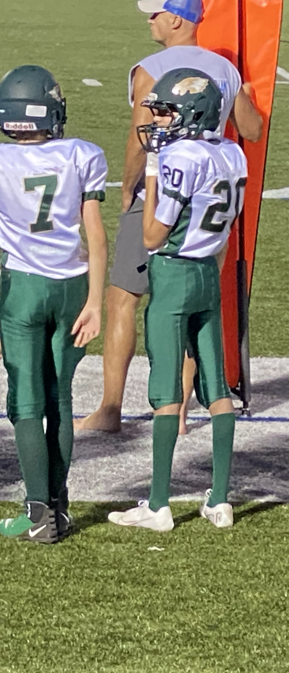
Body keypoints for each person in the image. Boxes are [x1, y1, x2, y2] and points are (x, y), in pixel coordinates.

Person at [76, 0, 263, 435]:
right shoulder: (225, 70)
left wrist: (128, 190)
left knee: (124, 297)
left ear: (176, 20)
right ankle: (177, 412)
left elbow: (139, 136)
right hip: (208, 205)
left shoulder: (151, 68)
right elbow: (252, 129)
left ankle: (110, 408)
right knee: (188, 307)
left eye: (155, 14)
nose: (150, 21)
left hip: (162, 194)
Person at [0, 66, 107, 543]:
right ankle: (59, 509)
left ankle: (37, 512)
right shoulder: (81, 155)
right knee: (59, 397)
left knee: (27, 400)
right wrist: (96, 301)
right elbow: (96, 236)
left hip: (22, 287)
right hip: (72, 285)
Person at [108, 68, 246, 532]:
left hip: (172, 272)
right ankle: (220, 501)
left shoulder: (179, 156)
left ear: (191, 113)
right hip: (208, 270)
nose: (158, 120)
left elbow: (151, 235)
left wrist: (151, 171)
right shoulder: (232, 152)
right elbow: (226, 227)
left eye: (166, 111)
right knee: (217, 389)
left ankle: (158, 504)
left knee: (166, 389)